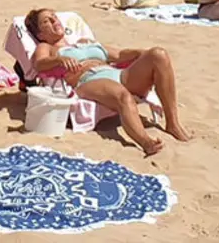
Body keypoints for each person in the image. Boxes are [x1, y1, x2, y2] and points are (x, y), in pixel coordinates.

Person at [25, 8, 190, 155]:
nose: (54, 20)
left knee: (158, 54)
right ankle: (146, 142)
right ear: (40, 34)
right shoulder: (48, 48)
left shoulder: (84, 42)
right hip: (89, 79)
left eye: (54, 16)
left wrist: (144, 54)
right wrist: (59, 60)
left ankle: (172, 123)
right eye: (47, 21)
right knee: (123, 96)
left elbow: (119, 55)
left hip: (116, 73)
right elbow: (39, 63)